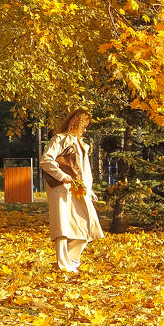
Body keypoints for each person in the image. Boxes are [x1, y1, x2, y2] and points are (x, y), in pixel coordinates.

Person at [40, 109, 103, 272]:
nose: (85, 130)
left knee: (88, 224)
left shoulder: (80, 143)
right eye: (83, 126)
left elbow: (84, 170)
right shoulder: (59, 139)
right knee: (63, 226)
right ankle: (64, 264)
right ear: (75, 123)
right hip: (61, 189)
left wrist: (89, 190)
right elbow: (46, 160)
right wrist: (62, 176)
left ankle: (72, 260)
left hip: (78, 189)